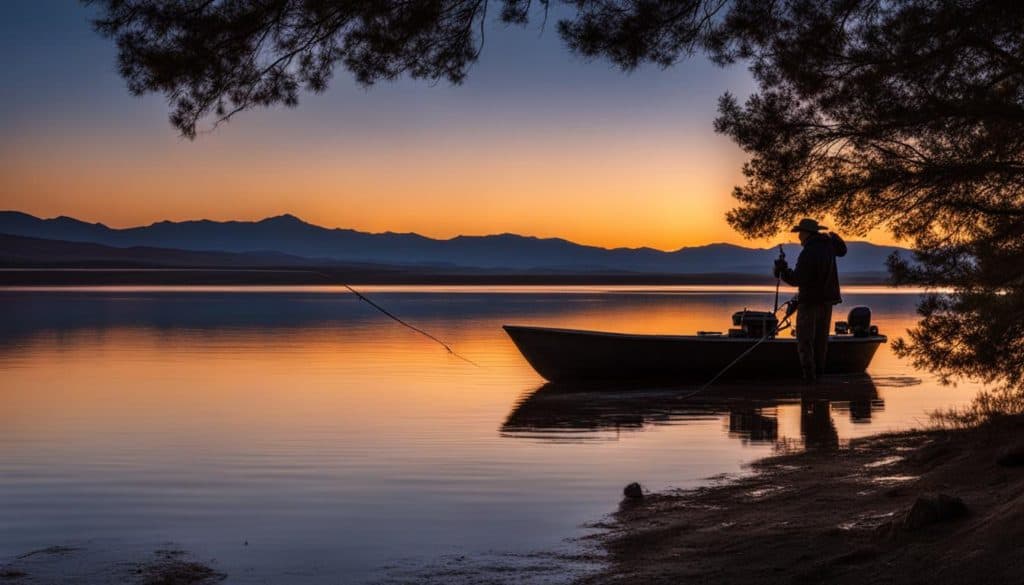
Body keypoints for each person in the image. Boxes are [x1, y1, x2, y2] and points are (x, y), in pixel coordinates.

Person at [774, 218, 847, 382]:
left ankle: (809, 379)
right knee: (821, 342)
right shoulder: (828, 246)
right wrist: (834, 237)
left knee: (805, 341)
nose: (798, 236)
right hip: (827, 303)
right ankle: (819, 378)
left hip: (810, 304)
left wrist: (783, 270)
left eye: (800, 233)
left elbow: (797, 279)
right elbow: (843, 251)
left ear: (806, 233)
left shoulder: (808, 252)